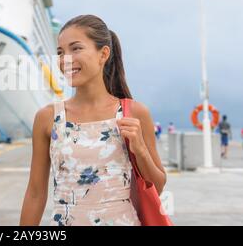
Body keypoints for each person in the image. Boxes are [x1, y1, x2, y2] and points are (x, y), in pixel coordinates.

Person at [20, 15, 166, 226]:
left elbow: (158, 186)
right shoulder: (47, 118)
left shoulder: (133, 112)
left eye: (76, 49)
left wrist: (141, 149)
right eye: (60, 52)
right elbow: (35, 193)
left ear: (103, 54)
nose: (65, 59)